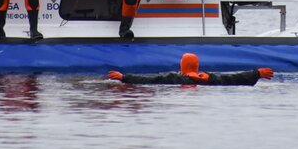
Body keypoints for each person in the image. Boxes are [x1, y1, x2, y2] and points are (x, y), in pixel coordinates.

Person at [107, 53, 274, 86]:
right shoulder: (209, 79)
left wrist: (124, 77)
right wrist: (256, 74)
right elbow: (233, 78)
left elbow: (149, 80)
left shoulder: (174, 78)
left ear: (182, 66)